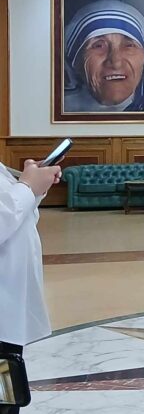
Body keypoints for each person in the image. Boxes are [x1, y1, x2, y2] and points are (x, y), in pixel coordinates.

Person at [0, 160, 63, 413]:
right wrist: (27, 187)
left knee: (7, 396)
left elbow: (15, 215)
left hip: (8, 311)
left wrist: (34, 188)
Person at [63, 0, 144, 112]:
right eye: (98, 45)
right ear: (75, 60)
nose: (116, 62)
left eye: (129, 45)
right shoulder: (58, 107)